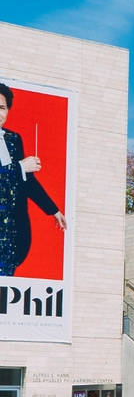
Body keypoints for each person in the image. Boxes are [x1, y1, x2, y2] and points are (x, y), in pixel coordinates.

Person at [0, 83, 67, 276]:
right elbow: (20, 171)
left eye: (2, 108)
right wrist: (20, 166)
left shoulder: (13, 139)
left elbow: (27, 182)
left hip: (15, 232)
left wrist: (53, 210)